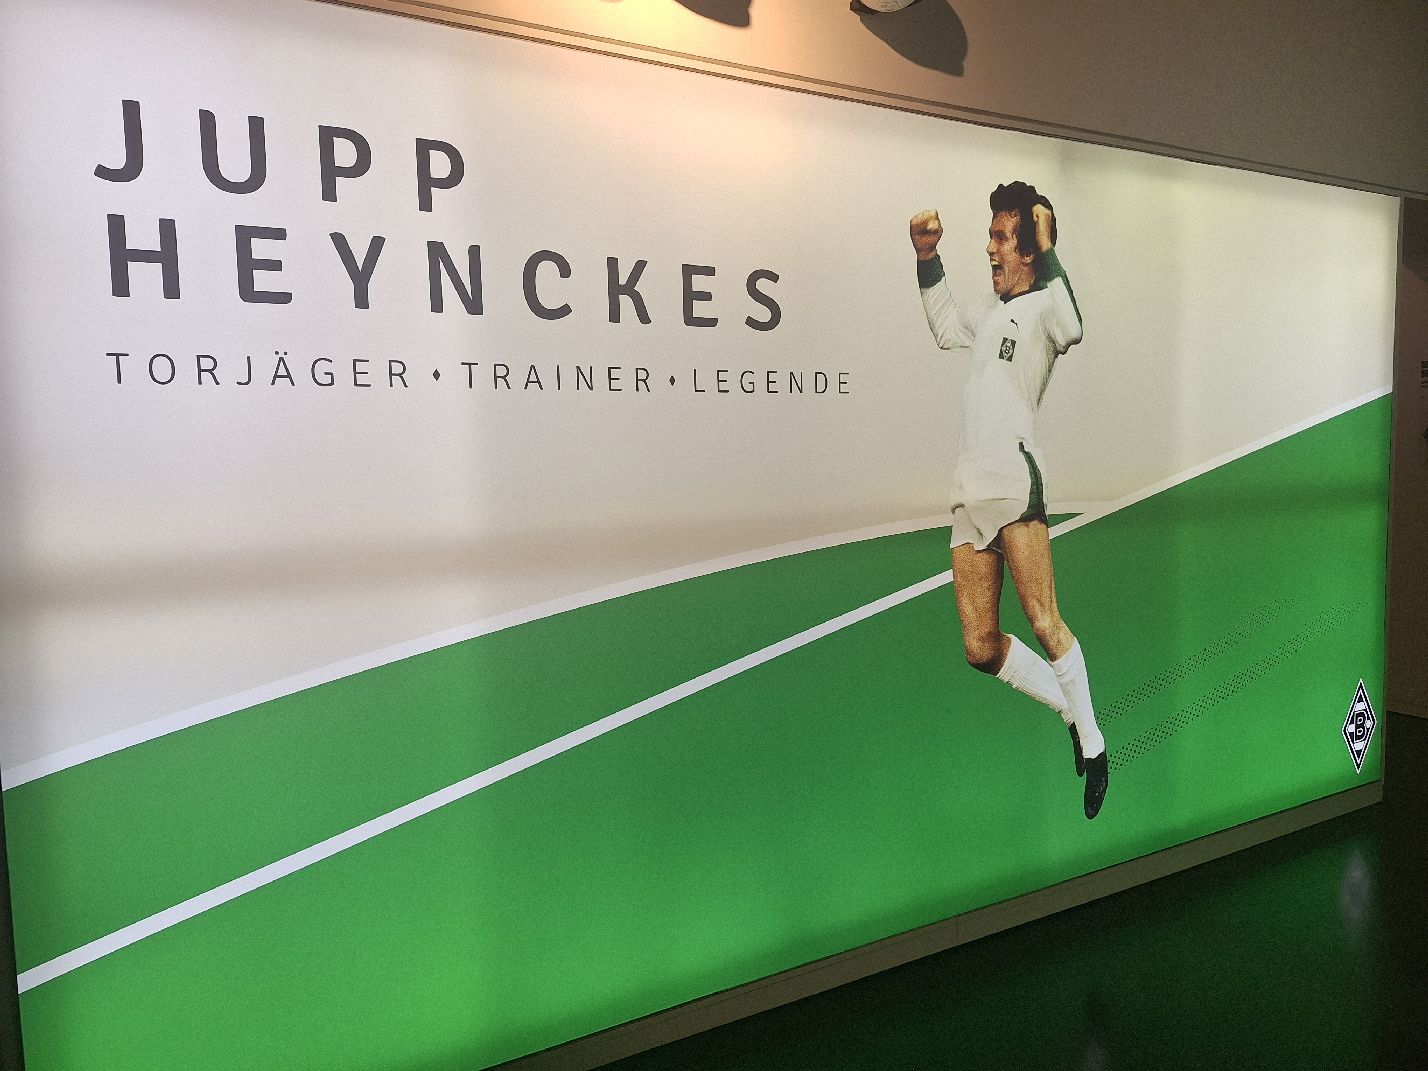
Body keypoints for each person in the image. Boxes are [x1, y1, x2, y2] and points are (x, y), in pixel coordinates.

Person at [910, 182, 1108, 819]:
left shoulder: (1047, 307)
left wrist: (1050, 247)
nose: (990, 248)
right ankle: (1070, 711)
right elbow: (945, 326)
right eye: (991, 236)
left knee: (1046, 622)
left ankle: (1095, 744)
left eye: (1001, 238)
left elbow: (1075, 326)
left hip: (1015, 484)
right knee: (979, 646)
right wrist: (926, 256)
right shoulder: (987, 313)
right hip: (969, 491)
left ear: (1028, 250)